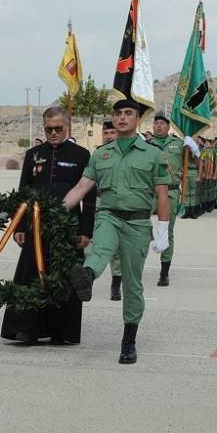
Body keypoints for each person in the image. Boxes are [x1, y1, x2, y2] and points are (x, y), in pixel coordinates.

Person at [62, 99, 172, 365]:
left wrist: (163, 229)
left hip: (137, 222)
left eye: (128, 113)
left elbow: (162, 193)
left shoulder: (153, 154)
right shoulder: (101, 154)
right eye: (118, 113)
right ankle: (87, 276)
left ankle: (129, 341)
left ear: (137, 120)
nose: (122, 118)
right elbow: (81, 188)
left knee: (132, 284)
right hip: (108, 215)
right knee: (100, 249)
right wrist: (55, 210)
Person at [0, 106, 95, 345]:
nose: (53, 133)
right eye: (48, 129)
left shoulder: (82, 155)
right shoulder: (33, 154)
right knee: (30, 274)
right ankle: (26, 329)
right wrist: (19, 227)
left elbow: (90, 198)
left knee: (64, 276)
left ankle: (62, 331)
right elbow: (23, 193)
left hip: (68, 226)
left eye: (58, 128)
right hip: (36, 224)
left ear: (67, 127)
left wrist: (85, 231)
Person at [149, 114, 188, 286]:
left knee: (167, 232)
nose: (158, 126)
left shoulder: (179, 144)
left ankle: (164, 272)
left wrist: (193, 147)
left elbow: (193, 160)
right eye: (156, 123)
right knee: (138, 229)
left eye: (162, 124)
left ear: (168, 127)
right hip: (148, 194)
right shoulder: (145, 145)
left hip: (171, 193)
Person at [98, 121, 123, 301]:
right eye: (106, 132)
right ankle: (87, 281)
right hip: (98, 205)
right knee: (90, 247)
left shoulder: (124, 155)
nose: (108, 136)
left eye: (112, 132)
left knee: (116, 250)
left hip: (117, 206)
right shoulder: (96, 154)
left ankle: (116, 286)